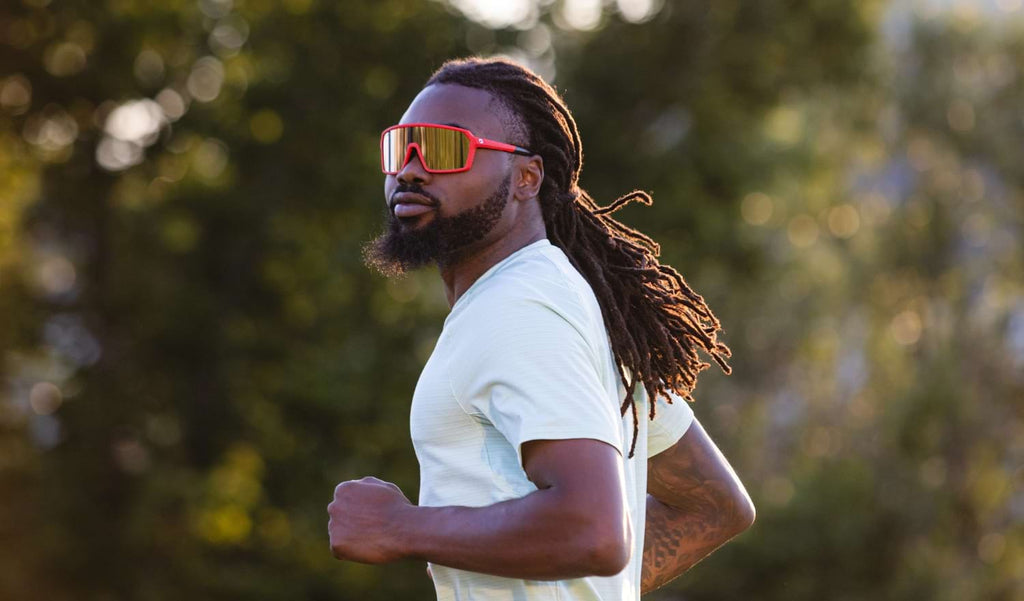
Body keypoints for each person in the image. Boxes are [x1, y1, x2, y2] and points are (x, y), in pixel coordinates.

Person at [328, 57, 755, 601]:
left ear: (526, 178)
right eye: (399, 147)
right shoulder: (570, 303)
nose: (409, 169)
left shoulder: (521, 307)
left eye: (444, 149)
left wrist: (402, 527)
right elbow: (713, 505)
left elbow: (592, 531)